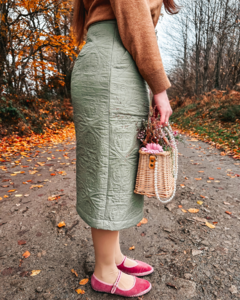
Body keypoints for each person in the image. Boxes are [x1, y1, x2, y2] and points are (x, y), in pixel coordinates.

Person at [71, 0, 179, 297]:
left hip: (113, 62)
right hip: (113, 66)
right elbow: (134, 19)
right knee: (109, 165)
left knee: (114, 164)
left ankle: (113, 256)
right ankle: (104, 272)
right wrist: (160, 88)